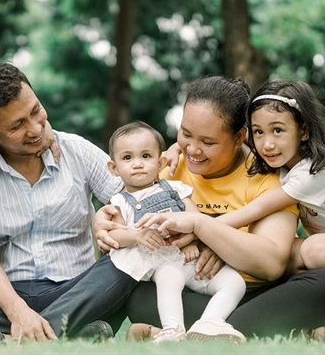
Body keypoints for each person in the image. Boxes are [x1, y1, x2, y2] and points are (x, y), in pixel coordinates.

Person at [94, 76, 325, 340]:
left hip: (258, 292)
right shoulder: (167, 166)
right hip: (188, 289)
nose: (193, 149)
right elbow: (127, 213)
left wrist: (207, 232)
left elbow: (271, 263)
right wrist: (103, 223)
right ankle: (235, 330)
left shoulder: (270, 171)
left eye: (208, 142)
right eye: (185, 134)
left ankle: (191, 332)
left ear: (240, 137)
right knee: (141, 294)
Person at [0, 62, 138, 343]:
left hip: (78, 291)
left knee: (134, 254)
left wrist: (112, 219)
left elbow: (137, 199)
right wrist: (19, 312)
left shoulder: (75, 151)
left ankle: (5, 340)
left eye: (36, 111)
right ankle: (69, 334)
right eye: (18, 125)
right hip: (5, 298)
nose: (35, 129)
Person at [105, 121, 246, 343]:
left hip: (193, 261)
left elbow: (196, 220)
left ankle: (209, 322)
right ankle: (173, 329)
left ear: (160, 162)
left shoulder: (175, 189)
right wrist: (136, 235)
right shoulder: (121, 202)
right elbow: (114, 236)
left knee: (235, 282)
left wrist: (191, 242)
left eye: (145, 156)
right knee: (168, 281)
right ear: (114, 168)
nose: (138, 164)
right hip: (164, 263)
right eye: (127, 158)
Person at [219, 80, 325, 281]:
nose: (267, 144)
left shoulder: (316, 171)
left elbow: (255, 210)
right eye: (259, 132)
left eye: (278, 130)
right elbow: (228, 141)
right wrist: (180, 148)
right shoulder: (283, 159)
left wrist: (200, 228)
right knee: (274, 255)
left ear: (304, 131)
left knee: (314, 251)